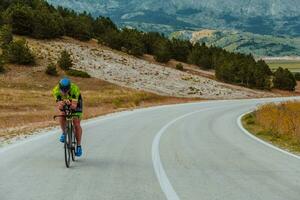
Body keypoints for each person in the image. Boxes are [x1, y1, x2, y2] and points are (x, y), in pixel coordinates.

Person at [52, 77, 83, 157]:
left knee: (76, 123)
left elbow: (74, 106)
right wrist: (62, 104)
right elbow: (60, 107)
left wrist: (70, 104)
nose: (65, 92)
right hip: (65, 102)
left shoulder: (74, 89)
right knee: (62, 114)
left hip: (76, 103)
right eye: (63, 91)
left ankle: (79, 146)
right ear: (60, 88)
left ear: (69, 88)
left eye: (67, 91)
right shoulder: (56, 90)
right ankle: (64, 132)